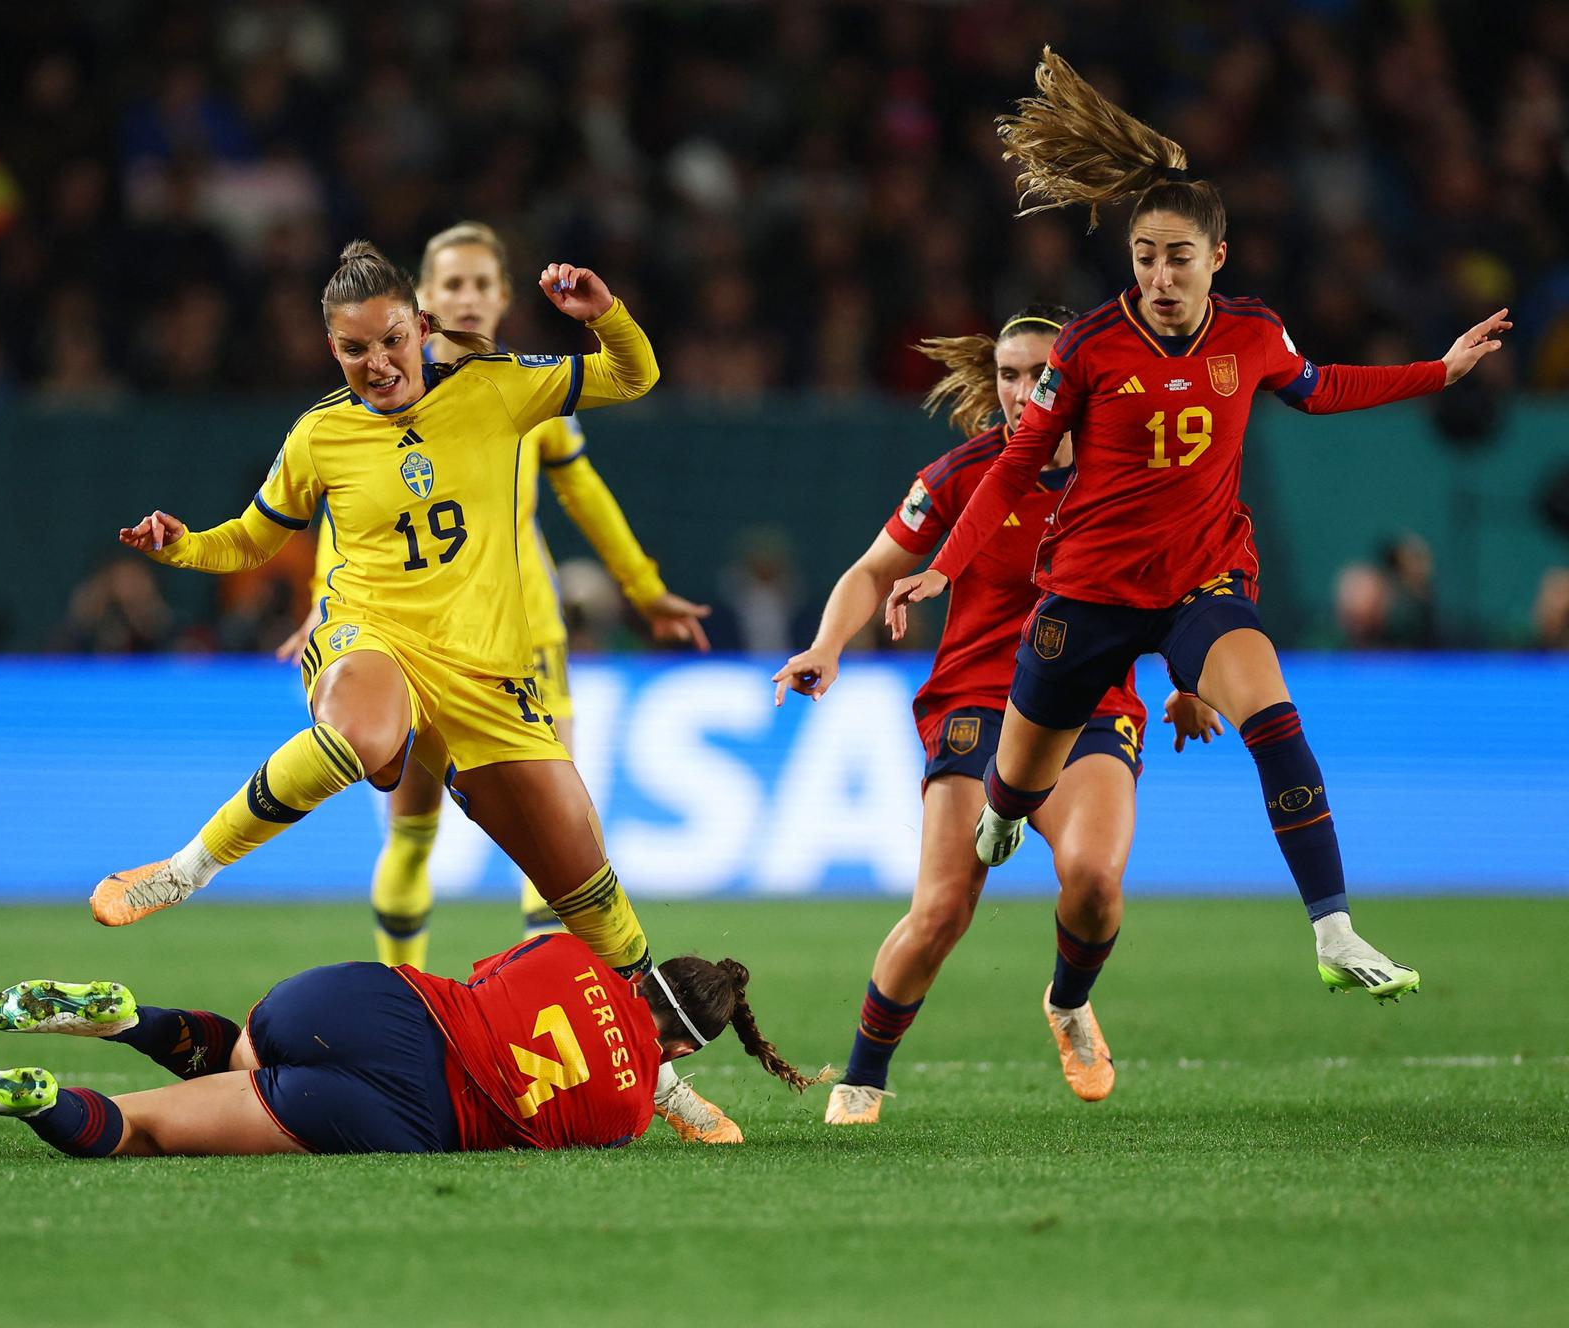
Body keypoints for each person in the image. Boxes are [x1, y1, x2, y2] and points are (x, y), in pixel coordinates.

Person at [884, 49, 1512, 1001]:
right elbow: (1014, 465)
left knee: (1275, 717)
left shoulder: (1253, 333)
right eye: (1145, 257)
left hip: (1200, 584)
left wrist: (1439, 371)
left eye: (1179, 257)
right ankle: (1006, 816)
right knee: (1012, 789)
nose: (1162, 275)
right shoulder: (1090, 345)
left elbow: (1322, 386)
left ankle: (1334, 928)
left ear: (1217, 257)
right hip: (1088, 591)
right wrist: (946, 565)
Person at [108, 240, 742, 1143]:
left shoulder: (496, 388)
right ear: (332, 351)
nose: (376, 364)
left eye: (391, 341)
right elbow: (251, 540)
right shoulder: (321, 432)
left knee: (586, 886)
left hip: (486, 673)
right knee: (362, 736)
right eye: (353, 350)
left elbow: (635, 376)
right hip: (372, 640)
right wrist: (182, 544)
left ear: (425, 327)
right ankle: (183, 870)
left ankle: (666, 1087)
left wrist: (605, 314)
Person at [774, 307, 1219, 1123]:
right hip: (977, 705)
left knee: (1093, 884)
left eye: (1038, 376)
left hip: (1090, 707)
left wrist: (1187, 681)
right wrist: (828, 644)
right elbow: (872, 571)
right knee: (942, 911)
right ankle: (862, 1078)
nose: (1020, 393)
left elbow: (1182, 586)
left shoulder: (1134, 475)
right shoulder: (961, 473)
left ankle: (1068, 1001)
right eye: (1008, 376)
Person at [273, 221, 709, 969]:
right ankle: (397, 992)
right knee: (411, 829)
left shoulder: (513, 387)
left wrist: (645, 587)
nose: (468, 297)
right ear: (425, 303)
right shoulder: (375, 405)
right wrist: (324, 601)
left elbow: (584, 491)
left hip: (523, 632)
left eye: (481, 283)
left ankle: (550, 1011)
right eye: (452, 284)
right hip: (409, 636)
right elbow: (346, 520)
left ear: (503, 297)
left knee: (556, 841)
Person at [0, 933, 819, 1157]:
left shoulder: (567, 948)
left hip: (376, 1001)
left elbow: (489, 971)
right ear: (686, 1052)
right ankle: (30, 1096)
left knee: (244, 1050)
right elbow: (624, 1082)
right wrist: (675, 1099)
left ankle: (122, 1019)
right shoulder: (625, 1115)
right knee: (142, 1131)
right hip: (413, 1108)